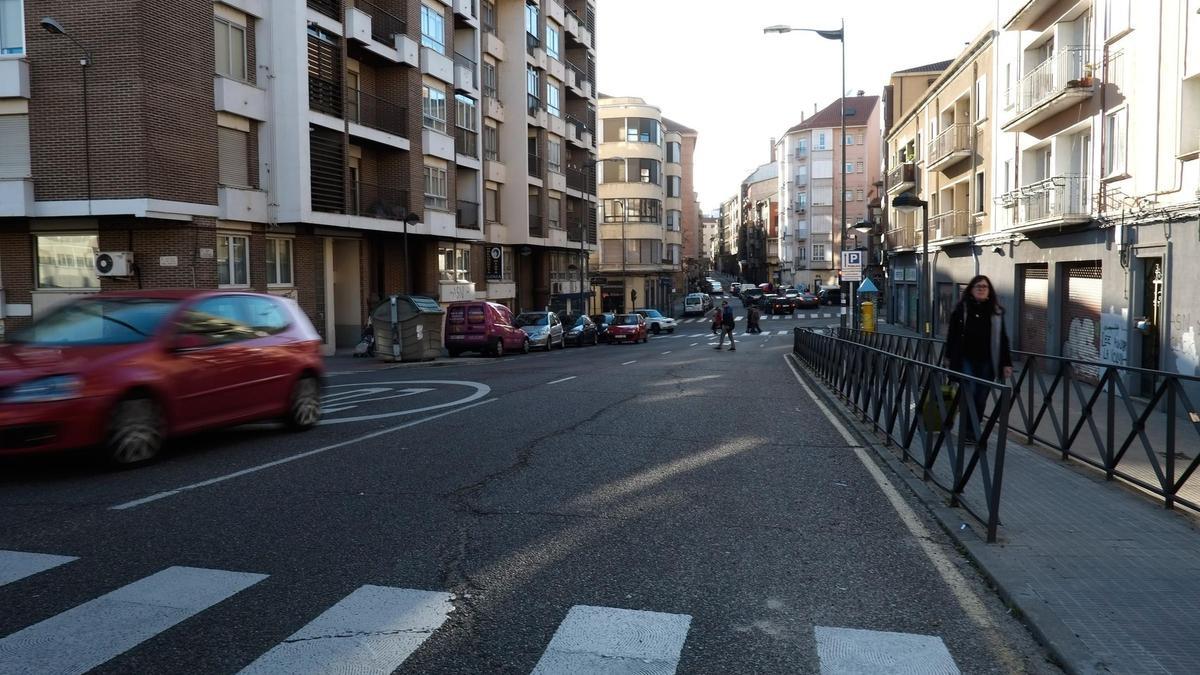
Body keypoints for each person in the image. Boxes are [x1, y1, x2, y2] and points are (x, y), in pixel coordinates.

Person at [944, 275, 1013, 442]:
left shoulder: (996, 313)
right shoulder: (961, 310)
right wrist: (947, 356)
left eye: (985, 286)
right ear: (971, 289)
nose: (982, 289)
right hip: (965, 359)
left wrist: (1006, 363)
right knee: (970, 392)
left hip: (988, 361)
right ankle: (969, 432)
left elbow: (1002, 339)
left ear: (989, 291)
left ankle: (972, 428)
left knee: (981, 396)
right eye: (978, 286)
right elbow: (951, 336)